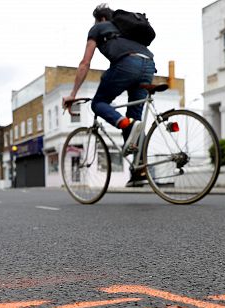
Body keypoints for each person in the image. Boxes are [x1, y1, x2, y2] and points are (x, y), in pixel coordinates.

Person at [63, 3, 156, 185]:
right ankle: (139, 171)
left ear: (101, 19)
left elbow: (85, 63)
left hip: (128, 64)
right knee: (135, 120)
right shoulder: (125, 30)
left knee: (98, 103)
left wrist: (73, 94)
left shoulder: (98, 27)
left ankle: (120, 121)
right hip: (149, 65)